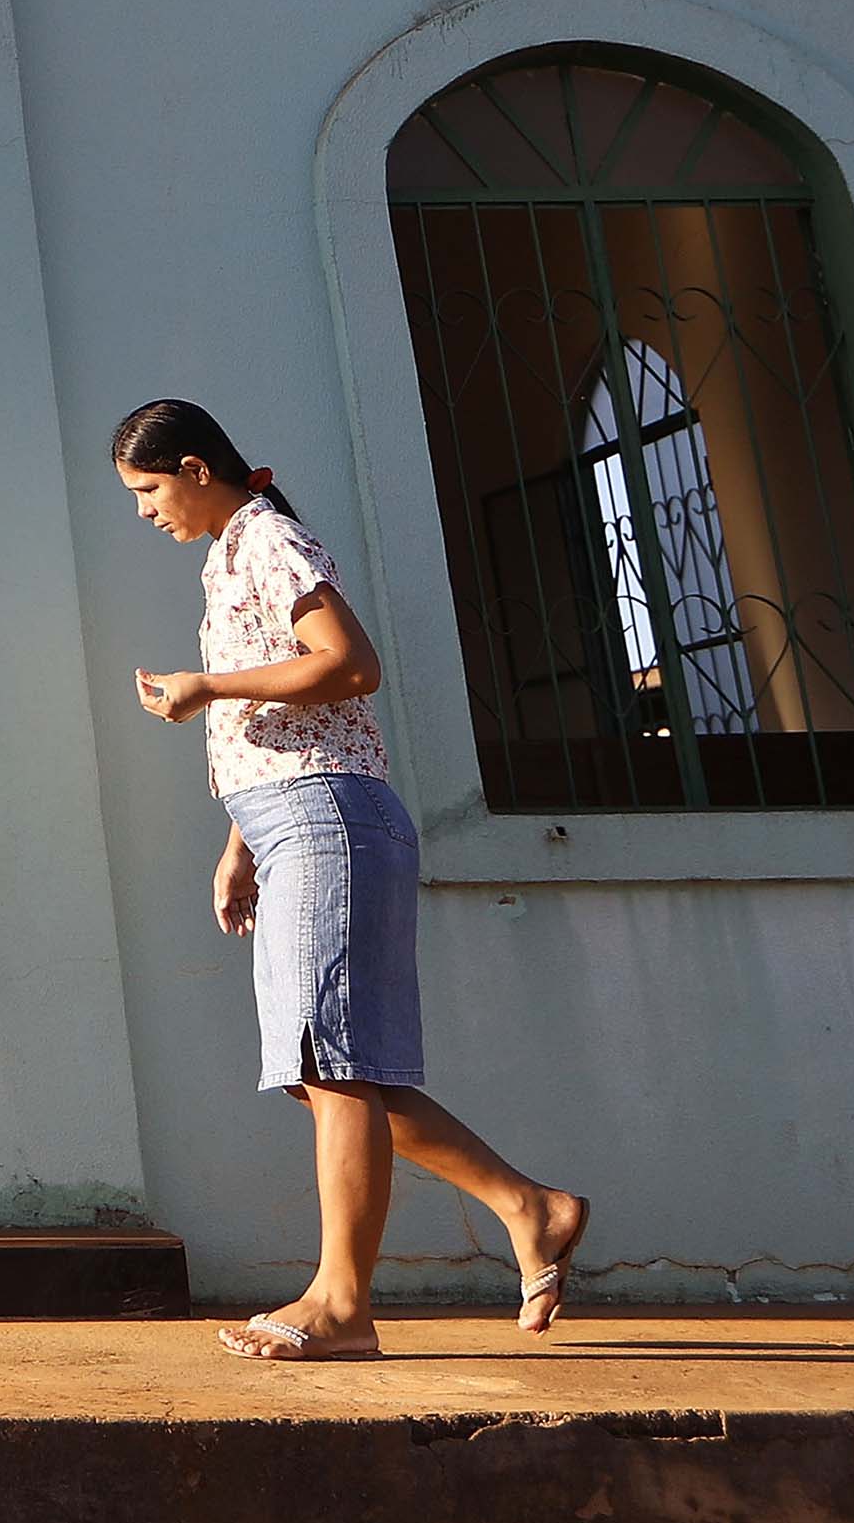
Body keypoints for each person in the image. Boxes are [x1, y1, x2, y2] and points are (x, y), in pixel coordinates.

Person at [114, 396, 589, 1359]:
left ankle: (342, 1305)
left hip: (328, 817)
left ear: (197, 469)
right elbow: (286, 727)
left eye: (149, 488)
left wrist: (207, 685)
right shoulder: (231, 553)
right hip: (294, 821)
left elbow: (349, 665)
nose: (145, 510)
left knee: (331, 1064)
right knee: (321, 1068)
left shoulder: (267, 536)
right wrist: (241, 842)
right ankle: (528, 1205)